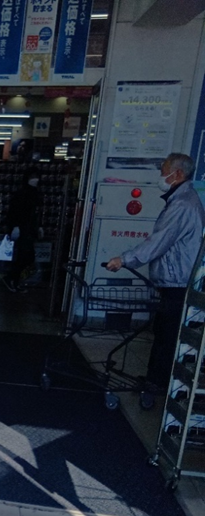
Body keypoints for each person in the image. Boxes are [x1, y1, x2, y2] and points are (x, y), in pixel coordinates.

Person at [106, 152, 205, 396]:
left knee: (168, 335)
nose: (161, 176)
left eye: (164, 171)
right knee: (164, 332)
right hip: (176, 279)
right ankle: (156, 378)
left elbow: (159, 242)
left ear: (178, 174)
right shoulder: (182, 199)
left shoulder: (182, 204)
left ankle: (158, 383)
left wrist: (124, 259)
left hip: (179, 282)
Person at [3, 170, 42, 293]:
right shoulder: (24, 194)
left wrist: (38, 226)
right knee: (26, 256)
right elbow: (15, 211)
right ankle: (12, 279)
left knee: (24, 256)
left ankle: (13, 280)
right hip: (23, 230)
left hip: (28, 230)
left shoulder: (34, 194)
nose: (36, 180)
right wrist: (15, 226)